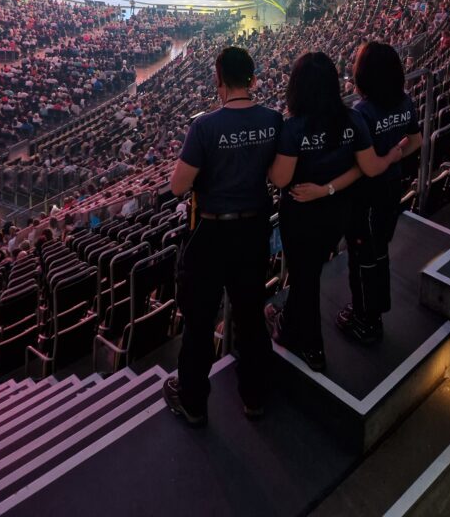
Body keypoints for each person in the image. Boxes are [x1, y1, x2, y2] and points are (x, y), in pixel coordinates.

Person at [163, 46, 282, 426]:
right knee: (249, 314)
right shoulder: (274, 120)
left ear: (218, 81)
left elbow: (178, 186)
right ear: (253, 79)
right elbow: (279, 177)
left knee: (198, 322)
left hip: (213, 232)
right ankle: (256, 397)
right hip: (254, 229)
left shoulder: (204, 127)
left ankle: (194, 403)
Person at [267, 52, 401, 371]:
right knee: (307, 276)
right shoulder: (352, 119)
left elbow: (281, 179)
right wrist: (327, 189)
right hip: (337, 213)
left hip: (301, 216)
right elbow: (363, 168)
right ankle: (286, 324)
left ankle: (312, 349)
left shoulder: (293, 128)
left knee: (305, 278)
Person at [338, 43, 422, 345]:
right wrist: (396, 153)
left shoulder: (361, 112)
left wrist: (386, 158)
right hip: (391, 188)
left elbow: (368, 166)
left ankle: (366, 319)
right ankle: (374, 309)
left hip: (366, 198)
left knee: (363, 259)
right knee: (380, 252)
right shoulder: (405, 101)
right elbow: (415, 140)